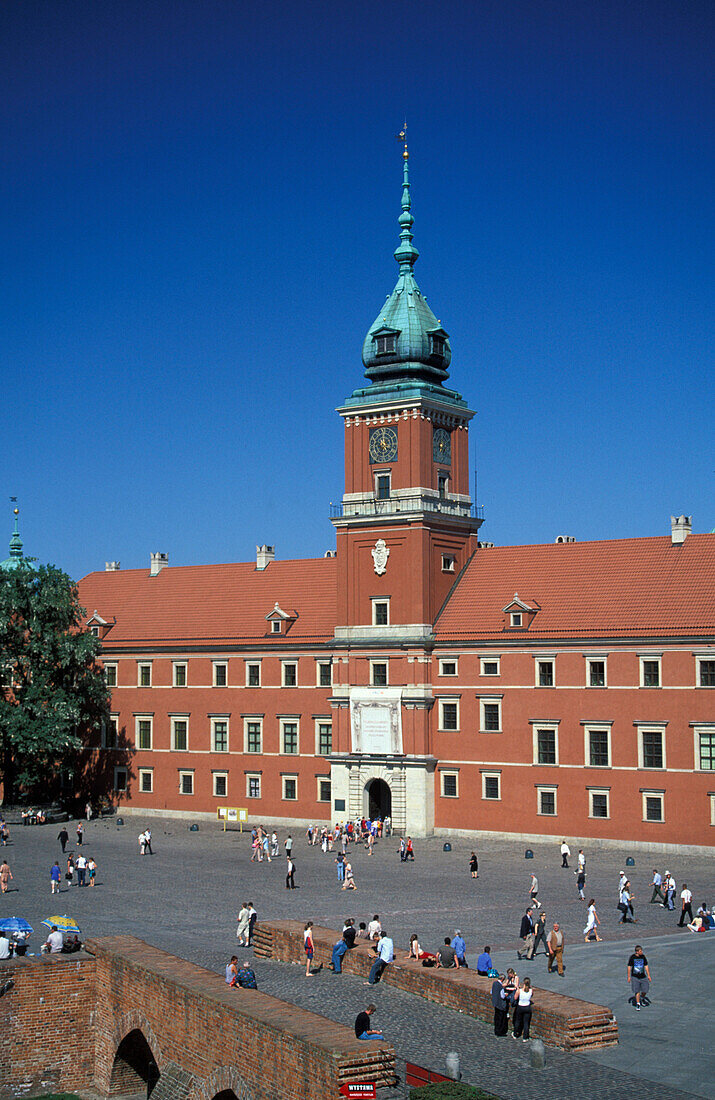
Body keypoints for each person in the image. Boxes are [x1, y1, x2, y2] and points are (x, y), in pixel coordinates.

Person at [627, 945, 651, 1010]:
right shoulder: (632, 957)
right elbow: (629, 966)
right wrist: (629, 976)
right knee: (637, 990)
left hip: (643, 976)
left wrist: (648, 975)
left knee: (645, 989)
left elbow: (646, 965)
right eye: (640, 951)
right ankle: (638, 1004)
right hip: (635, 976)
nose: (642, 952)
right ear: (637, 952)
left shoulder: (643, 957)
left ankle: (642, 998)